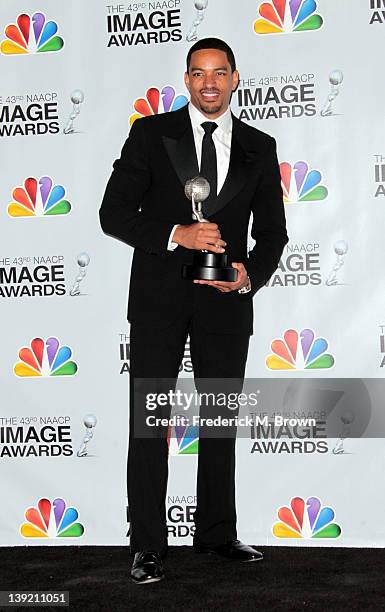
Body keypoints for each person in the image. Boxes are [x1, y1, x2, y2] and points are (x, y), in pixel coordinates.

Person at [100, 37, 288, 584]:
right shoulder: (151, 133)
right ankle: (147, 545)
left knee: (220, 421)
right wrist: (176, 233)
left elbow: (273, 234)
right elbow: (113, 214)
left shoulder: (259, 145)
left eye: (219, 72)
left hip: (225, 302)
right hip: (159, 299)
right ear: (186, 80)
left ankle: (215, 532)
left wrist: (251, 272)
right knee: (150, 422)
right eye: (199, 73)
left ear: (234, 78)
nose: (209, 82)